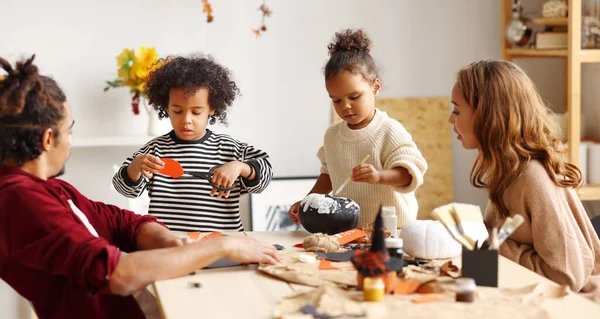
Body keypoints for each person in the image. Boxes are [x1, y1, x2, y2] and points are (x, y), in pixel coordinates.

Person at [0, 55, 280, 319]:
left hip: (183, 265)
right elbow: (114, 273)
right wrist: (221, 247)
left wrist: (174, 243)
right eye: (70, 130)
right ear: (49, 139)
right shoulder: (22, 201)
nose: (71, 141)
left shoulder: (50, 190)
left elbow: (118, 220)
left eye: (196, 111)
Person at [448, 59, 600, 302]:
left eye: (457, 111)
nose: (450, 120)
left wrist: (493, 245)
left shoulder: (531, 178)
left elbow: (567, 277)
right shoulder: (506, 169)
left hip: (575, 305)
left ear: (489, 116)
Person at [112, 53, 273, 232]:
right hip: (171, 246)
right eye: (177, 111)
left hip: (222, 248)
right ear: (167, 107)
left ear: (212, 108)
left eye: (196, 112)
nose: (186, 120)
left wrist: (241, 167)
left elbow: (265, 177)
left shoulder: (231, 149)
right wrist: (135, 167)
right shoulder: (155, 149)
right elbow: (126, 190)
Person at [288, 29, 427, 228]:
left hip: (392, 230)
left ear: (375, 87)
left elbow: (409, 173)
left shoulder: (389, 131)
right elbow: (328, 175)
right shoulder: (333, 136)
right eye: (336, 100)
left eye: (354, 97)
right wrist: (308, 201)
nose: (345, 106)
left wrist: (379, 176)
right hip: (350, 230)